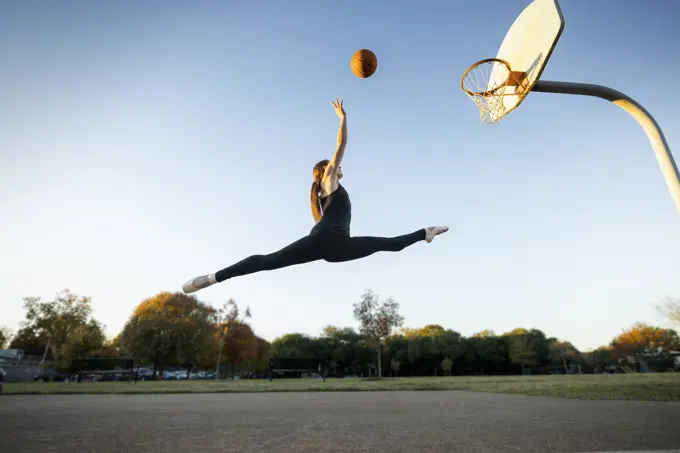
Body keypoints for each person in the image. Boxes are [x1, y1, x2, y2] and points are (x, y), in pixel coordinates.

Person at [182, 99, 448, 294]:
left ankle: (426, 232)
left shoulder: (326, 193)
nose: (339, 167)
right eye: (333, 165)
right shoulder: (328, 181)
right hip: (327, 241)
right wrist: (342, 118)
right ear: (324, 171)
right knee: (268, 261)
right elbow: (341, 145)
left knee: (387, 244)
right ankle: (213, 278)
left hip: (336, 247)